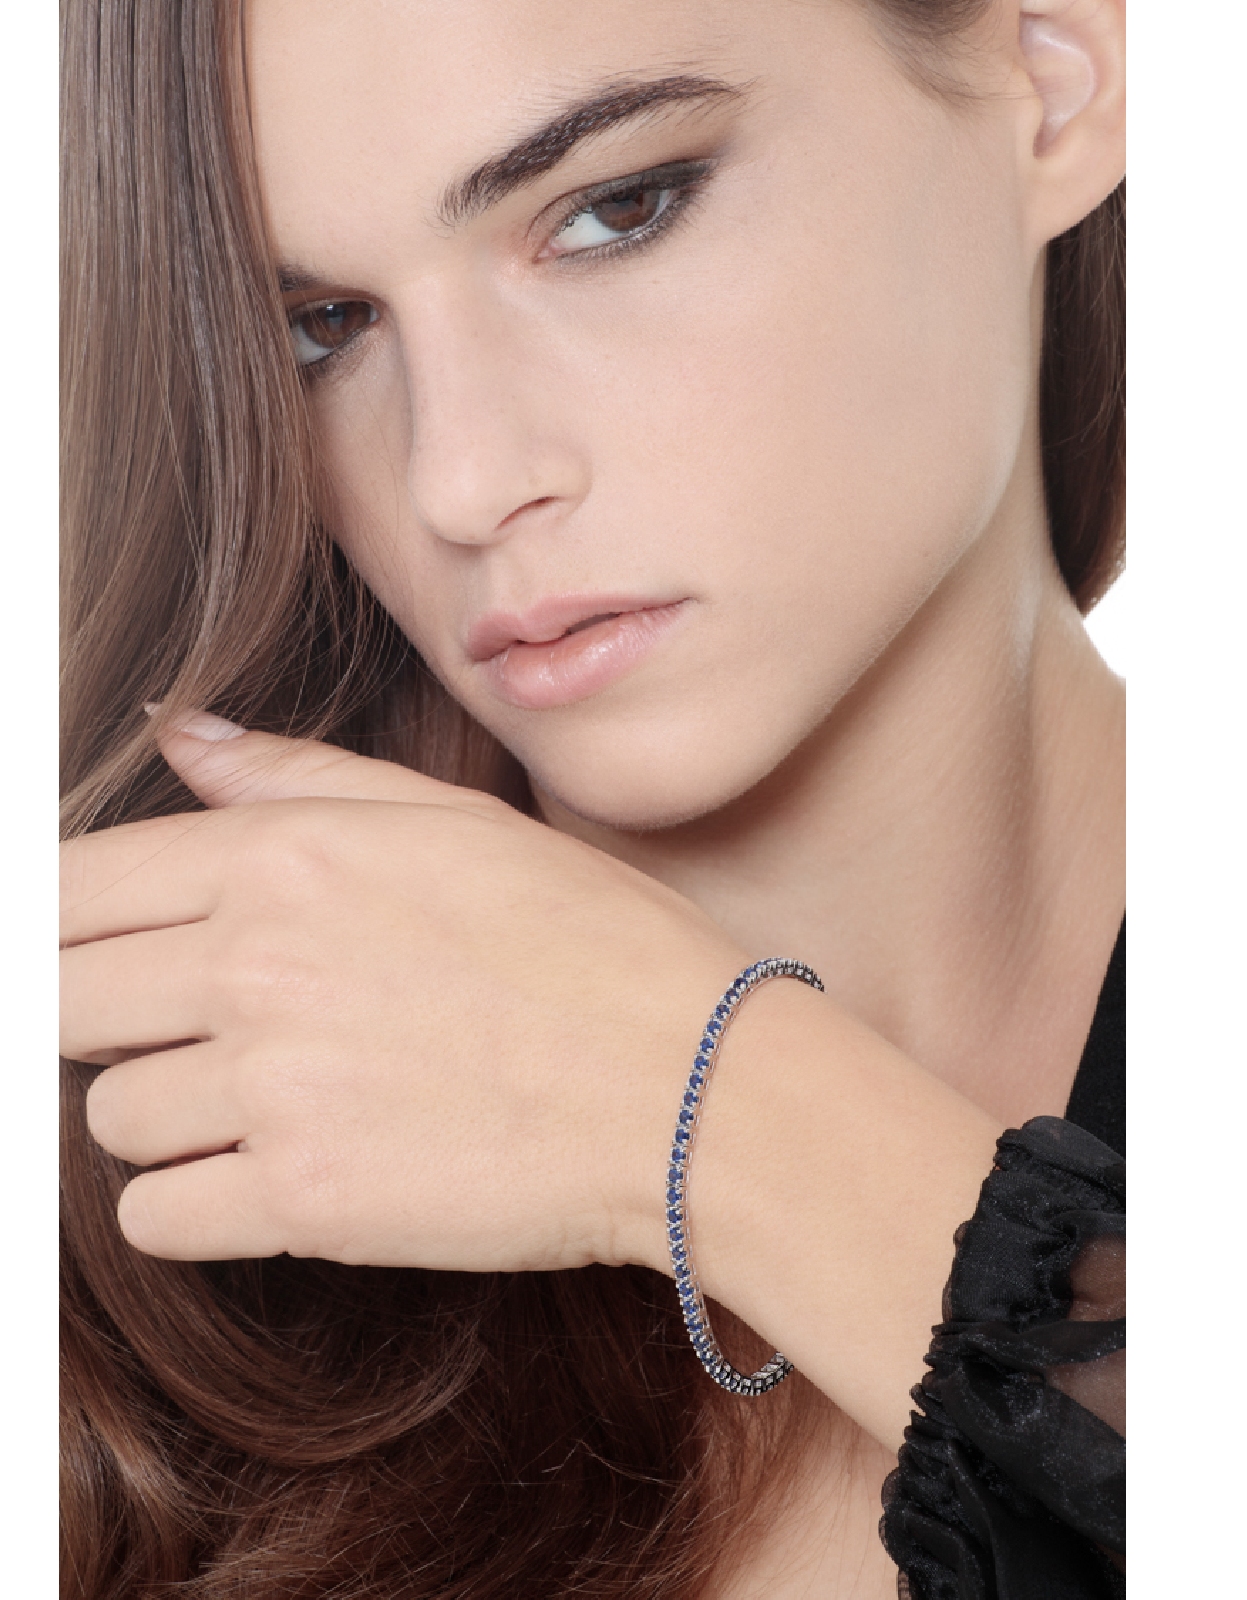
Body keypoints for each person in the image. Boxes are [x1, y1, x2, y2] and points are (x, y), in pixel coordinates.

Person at [59, 1, 1125, 1595]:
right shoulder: (134, 1238)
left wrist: (721, 1120)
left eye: (618, 209)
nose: (460, 479)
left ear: (1051, 73)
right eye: (324, 327)